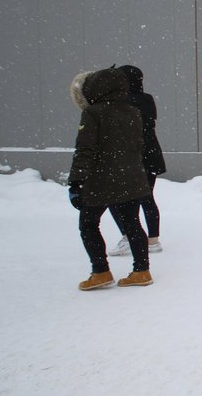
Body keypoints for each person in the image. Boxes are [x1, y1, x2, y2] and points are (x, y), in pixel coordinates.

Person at [68, 68, 154, 290]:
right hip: (132, 177)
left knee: (88, 224)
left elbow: (84, 150)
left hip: (101, 181)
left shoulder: (93, 113)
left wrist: (76, 182)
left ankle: (101, 271)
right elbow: (138, 145)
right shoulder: (132, 111)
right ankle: (142, 270)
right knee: (133, 223)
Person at [109, 65, 166, 256]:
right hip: (151, 154)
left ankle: (127, 236)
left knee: (115, 199)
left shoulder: (120, 102)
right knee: (147, 198)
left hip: (132, 156)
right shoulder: (147, 100)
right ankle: (153, 240)